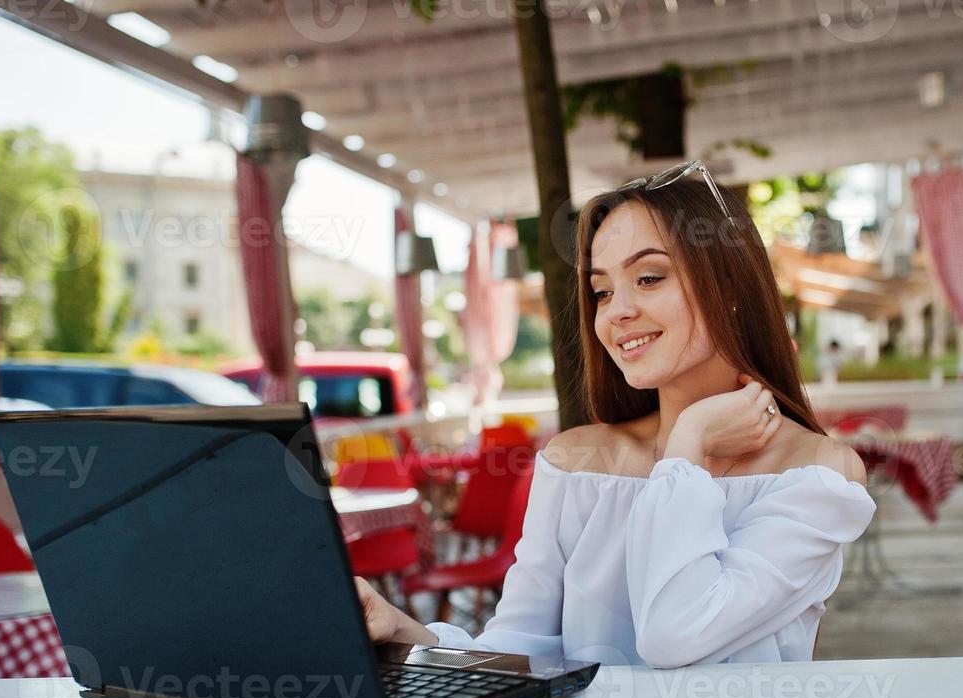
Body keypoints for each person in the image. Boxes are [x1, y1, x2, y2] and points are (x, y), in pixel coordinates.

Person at [358, 164, 874, 669]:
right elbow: (517, 651)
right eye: (602, 291)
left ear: (732, 291)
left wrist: (686, 449)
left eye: (649, 278)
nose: (616, 311)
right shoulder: (576, 462)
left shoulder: (819, 474)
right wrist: (402, 630)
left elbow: (676, 635)